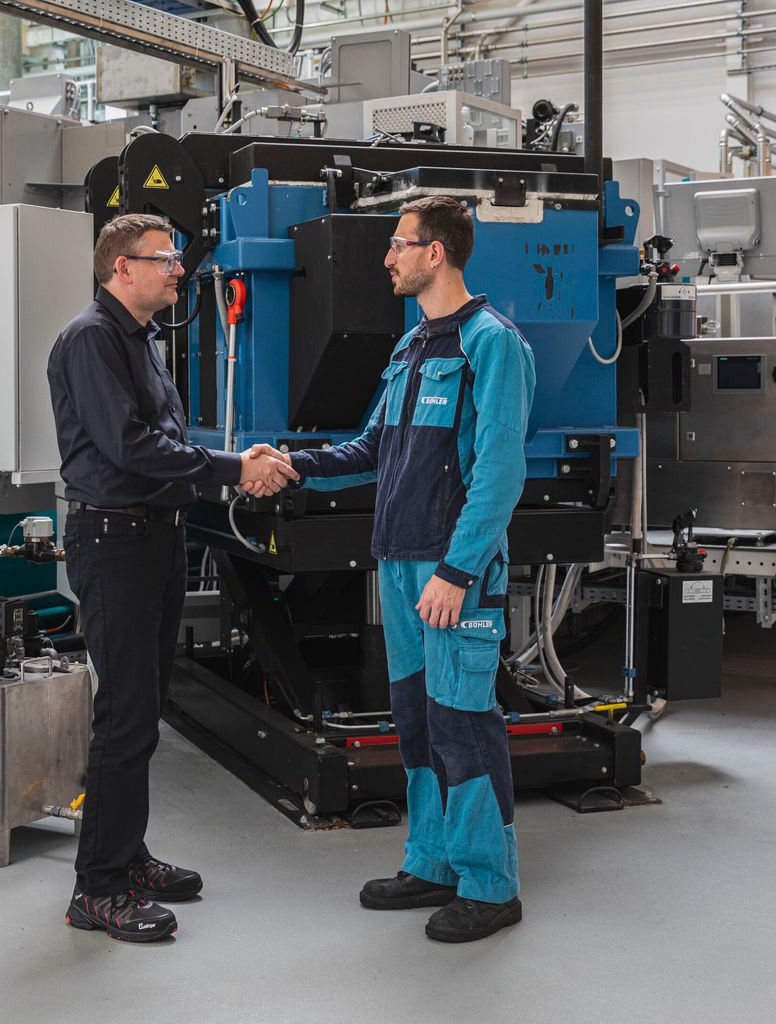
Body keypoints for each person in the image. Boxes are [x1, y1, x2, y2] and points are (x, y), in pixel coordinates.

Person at [250, 196, 535, 943]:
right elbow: (374, 449)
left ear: (435, 253)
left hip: (451, 573)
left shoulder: (492, 344)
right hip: (401, 566)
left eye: (399, 245)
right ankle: (432, 861)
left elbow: (500, 473)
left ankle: (489, 884)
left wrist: (458, 571)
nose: (388, 258)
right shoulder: (412, 347)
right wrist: (294, 464)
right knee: (416, 721)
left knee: (463, 723)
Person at [47, 212, 298, 943]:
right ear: (121, 268)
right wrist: (233, 470)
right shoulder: (91, 339)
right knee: (124, 714)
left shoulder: (141, 340)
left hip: (154, 536)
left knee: (145, 707)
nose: (179, 270)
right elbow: (128, 448)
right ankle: (97, 888)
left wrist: (233, 463)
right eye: (165, 259)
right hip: (113, 540)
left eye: (178, 259)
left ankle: (126, 857)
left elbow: (162, 441)